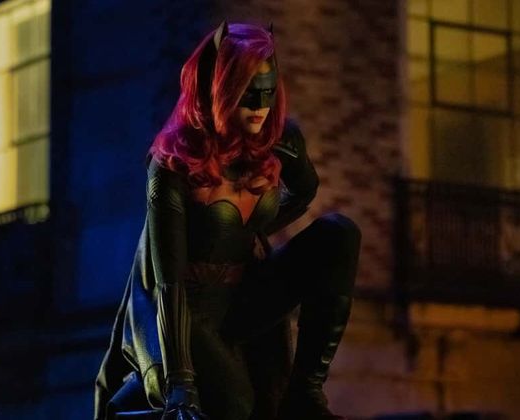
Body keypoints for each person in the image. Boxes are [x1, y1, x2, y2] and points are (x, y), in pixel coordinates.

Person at [94, 21, 361, 420]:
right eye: (248, 92)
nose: (260, 106)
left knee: (339, 234)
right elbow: (168, 284)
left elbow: (304, 190)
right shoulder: (173, 163)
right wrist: (180, 383)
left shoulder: (280, 140)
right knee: (237, 408)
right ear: (222, 89)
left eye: (268, 92)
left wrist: (246, 232)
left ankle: (305, 393)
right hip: (188, 311)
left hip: (244, 296)